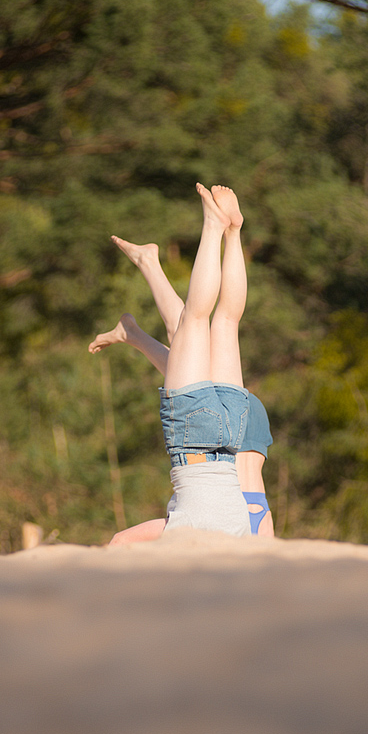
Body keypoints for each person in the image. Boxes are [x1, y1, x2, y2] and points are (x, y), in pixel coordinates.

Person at [92, 184, 261, 544]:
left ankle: (234, 232)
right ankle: (214, 227)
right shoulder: (182, 534)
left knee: (227, 321)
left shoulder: (238, 538)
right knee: (193, 321)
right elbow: (119, 541)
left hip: (232, 438)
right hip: (194, 446)